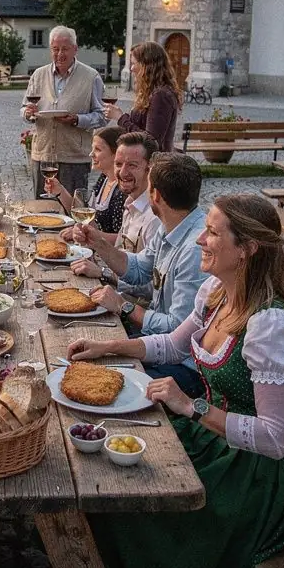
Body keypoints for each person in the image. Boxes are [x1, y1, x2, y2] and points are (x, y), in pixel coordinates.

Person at [68, 194, 284, 568]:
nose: (201, 240)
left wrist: (190, 405)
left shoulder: (272, 326)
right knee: (109, 469)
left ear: (246, 248)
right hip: (215, 438)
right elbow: (173, 348)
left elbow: (277, 437)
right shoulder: (215, 291)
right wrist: (109, 348)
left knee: (143, 508)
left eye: (212, 233)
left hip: (259, 474)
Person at [76, 151, 206, 394]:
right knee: (84, 345)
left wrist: (124, 307)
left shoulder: (195, 249)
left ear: (155, 194)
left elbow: (176, 331)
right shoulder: (173, 225)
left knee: (99, 383)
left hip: (187, 368)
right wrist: (98, 244)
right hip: (157, 343)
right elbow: (138, 270)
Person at [21, 26, 105, 196]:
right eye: (55, 49)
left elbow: (103, 115)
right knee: (42, 211)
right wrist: (28, 113)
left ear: (75, 49)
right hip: (42, 156)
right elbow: (24, 108)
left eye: (65, 49)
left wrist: (78, 120)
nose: (60, 54)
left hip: (74, 158)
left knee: (71, 211)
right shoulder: (38, 75)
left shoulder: (91, 77)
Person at [70, 131, 161, 282]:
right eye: (118, 164)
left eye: (132, 165)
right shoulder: (130, 204)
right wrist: (95, 240)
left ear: (149, 168)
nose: (123, 172)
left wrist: (102, 273)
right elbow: (120, 253)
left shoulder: (155, 217)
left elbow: (150, 285)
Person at [45, 125, 126, 240]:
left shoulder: (122, 190)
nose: (91, 154)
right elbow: (83, 214)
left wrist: (87, 234)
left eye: (98, 150)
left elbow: (122, 240)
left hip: (106, 255)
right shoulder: (104, 178)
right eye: (92, 149)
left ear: (116, 154)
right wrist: (60, 191)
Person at [104, 41, 181, 152]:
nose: (131, 69)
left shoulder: (161, 95)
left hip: (153, 162)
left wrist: (121, 118)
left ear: (147, 66)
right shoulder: (151, 92)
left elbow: (151, 140)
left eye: (134, 63)